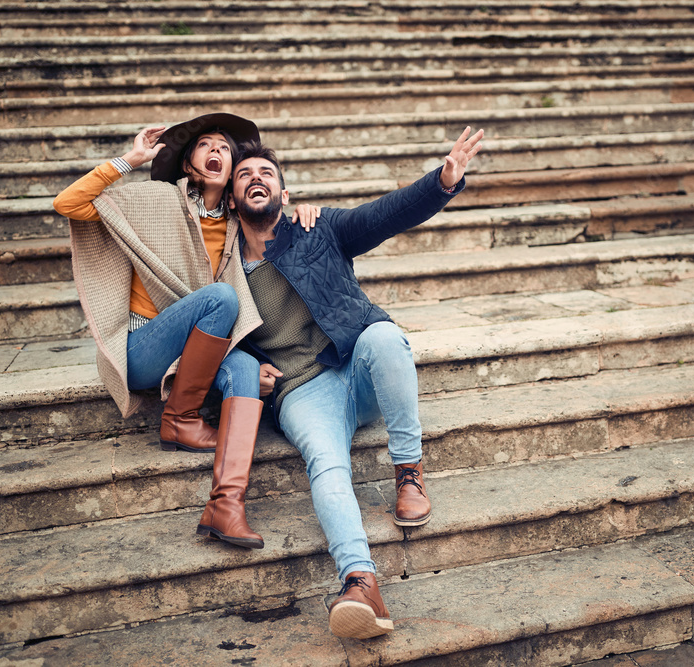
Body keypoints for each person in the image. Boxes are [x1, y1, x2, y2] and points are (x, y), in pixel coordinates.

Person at [229, 127, 484, 639]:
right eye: (244, 175)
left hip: (355, 365)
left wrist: (442, 180)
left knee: (385, 336)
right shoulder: (222, 265)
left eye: (266, 173)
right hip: (301, 390)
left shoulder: (317, 228)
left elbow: (383, 214)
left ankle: (408, 472)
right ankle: (361, 583)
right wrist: (239, 369)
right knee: (326, 463)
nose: (255, 179)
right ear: (233, 198)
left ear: (285, 194)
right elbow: (210, 337)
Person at [53, 113, 320, 550]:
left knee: (246, 370)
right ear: (188, 161)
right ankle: (180, 419)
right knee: (220, 298)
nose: (216, 152)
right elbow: (69, 204)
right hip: (142, 349)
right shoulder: (156, 199)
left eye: (223, 147)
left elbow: (276, 223)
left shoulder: (237, 224)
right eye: (205, 145)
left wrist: (309, 210)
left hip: (199, 345)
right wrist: (129, 160)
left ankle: (225, 506)